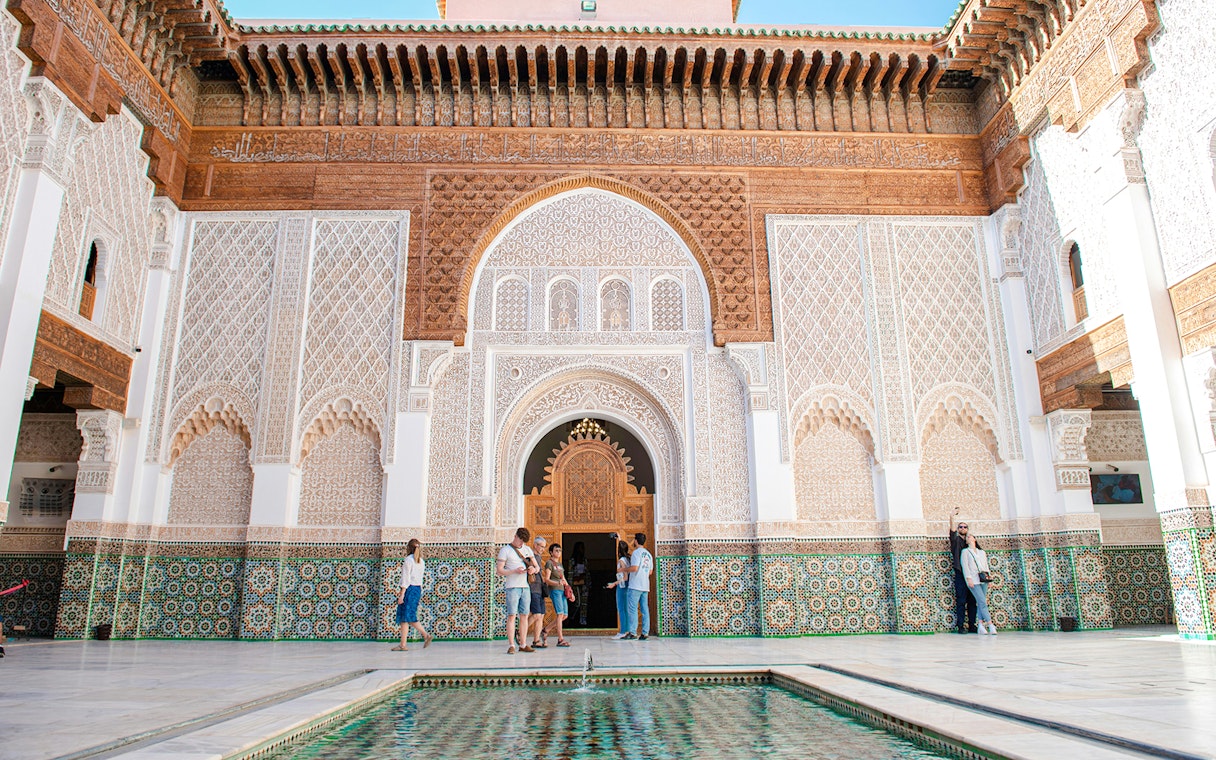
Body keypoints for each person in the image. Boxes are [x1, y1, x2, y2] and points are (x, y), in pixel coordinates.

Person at [496, 527, 538, 654]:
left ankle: (523, 644)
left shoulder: (527, 549)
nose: (521, 544)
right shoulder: (505, 550)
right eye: (520, 540)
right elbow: (499, 570)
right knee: (512, 615)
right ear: (515, 536)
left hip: (525, 587)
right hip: (512, 587)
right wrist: (514, 571)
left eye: (523, 542)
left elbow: (537, 567)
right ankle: (511, 645)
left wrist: (532, 570)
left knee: (524, 615)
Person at [392, 538, 433, 651]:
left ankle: (425, 635)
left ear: (409, 548)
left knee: (408, 616)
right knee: (404, 618)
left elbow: (406, 578)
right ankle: (403, 644)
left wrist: (402, 594)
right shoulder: (421, 561)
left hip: (409, 589)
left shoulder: (408, 560)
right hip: (417, 589)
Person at [961, 532, 997, 635]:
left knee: (981, 602)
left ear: (974, 539)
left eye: (970, 536)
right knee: (982, 602)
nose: (968, 537)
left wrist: (988, 576)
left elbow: (985, 565)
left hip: (983, 579)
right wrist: (968, 579)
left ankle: (980, 625)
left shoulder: (982, 552)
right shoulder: (965, 552)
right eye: (967, 537)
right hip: (973, 580)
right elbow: (965, 566)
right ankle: (990, 625)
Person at [949, 508, 978, 634]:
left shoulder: (970, 543)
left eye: (964, 527)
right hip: (961, 575)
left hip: (973, 576)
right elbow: (952, 531)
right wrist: (951, 517)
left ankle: (972, 625)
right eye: (960, 527)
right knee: (961, 600)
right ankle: (960, 626)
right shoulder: (956, 541)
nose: (962, 528)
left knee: (972, 601)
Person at [622, 532, 653, 640]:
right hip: (645, 586)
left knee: (633, 609)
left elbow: (634, 568)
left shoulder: (636, 553)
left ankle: (633, 632)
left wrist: (624, 569)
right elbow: (650, 572)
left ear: (636, 541)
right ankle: (645, 632)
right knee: (645, 609)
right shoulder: (648, 554)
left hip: (635, 585)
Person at [543, 543, 571, 647]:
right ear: (551, 552)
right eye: (556, 551)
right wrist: (557, 583)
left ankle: (546, 629)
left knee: (564, 615)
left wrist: (569, 590)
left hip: (562, 590)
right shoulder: (549, 563)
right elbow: (547, 579)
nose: (558, 552)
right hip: (555, 590)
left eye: (559, 551)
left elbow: (563, 578)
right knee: (560, 614)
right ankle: (560, 639)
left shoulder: (559, 564)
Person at [607, 538, 631, 640]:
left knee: (621, 609)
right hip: (627, 587)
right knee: (626, 609)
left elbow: (625, 577)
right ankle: (627, 630)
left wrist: (614, 584)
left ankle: (622, 632)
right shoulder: (628, 559)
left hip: (622, 587)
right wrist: (619, 537)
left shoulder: (621, 561)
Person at [527, 535, 548, 648]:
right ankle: (520, 632)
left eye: (544, 547)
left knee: (541, 616)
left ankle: (536, 641)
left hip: (540, 589)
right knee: (536, 614)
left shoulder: (538, 557)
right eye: (541, 546)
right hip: (533, 589)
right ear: (535, 545)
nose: (543, 549)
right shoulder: (530, 557)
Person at [569, 542, 589, 626]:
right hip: (575, 583)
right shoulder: (572, 560)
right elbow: (570, 573)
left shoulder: (584, 560)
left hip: (584, 583)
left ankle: (583, 619)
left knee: (584, 603)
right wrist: (569, 585)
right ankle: (571, 617)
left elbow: (587, 572)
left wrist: (588, 582)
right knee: (578, 602)